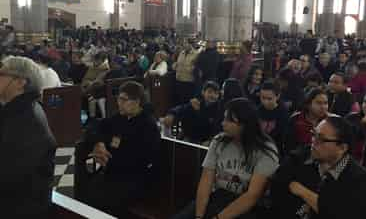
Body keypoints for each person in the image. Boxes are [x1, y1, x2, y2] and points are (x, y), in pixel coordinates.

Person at [172, 98, 279, 219]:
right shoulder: (219, 141)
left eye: (229, 120)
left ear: (244, 124)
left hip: (246, 207)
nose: (223, 123)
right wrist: (199, 216)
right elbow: (206, 181)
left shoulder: (266, 150)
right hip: (218, 197)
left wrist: (219, 218)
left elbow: (252, 195)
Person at [271, 117, 366, 219]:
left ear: (342, 148)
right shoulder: (300, 157)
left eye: (321, 139)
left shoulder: (360, 179)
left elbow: (347, 215)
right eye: (314, 134)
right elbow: (277, 187)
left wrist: (304, 192)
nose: (313, 142)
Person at [84, 81, 161, 217]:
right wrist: (99, 143)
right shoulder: (120, 118)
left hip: (135, 179)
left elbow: (142, 161)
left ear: (137, 101)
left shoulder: (148, 125)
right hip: (113, 173)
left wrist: (108, 161)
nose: (119, 103)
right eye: (119, 98)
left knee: (105, 199)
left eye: (124, 99)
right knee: (88, 190)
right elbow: (94, 127)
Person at [0, 56, 57, 218]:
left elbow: (9, 174)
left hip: (21, 209)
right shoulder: (13, 109)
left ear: (20, 82)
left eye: (1, 74)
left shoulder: (28, 120)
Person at [284, 88, 335, 155]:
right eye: (318, 103)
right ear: (308, 104)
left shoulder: (331, 121)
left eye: (325, 103)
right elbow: (289, 147)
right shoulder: (296, 119)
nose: (323, 107)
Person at [257, 81, 289, 156]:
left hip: (275, 151)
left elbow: (282, 137)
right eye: (263, 98)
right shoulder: (258, 111)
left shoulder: (283, 113)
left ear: (277, 96)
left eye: (269, 99)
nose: (265, 102)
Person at [173, 39, 199, 105]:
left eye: (185, 43)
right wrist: (175, 65)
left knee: (187, 100)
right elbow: (178, 62)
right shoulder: (182, 53)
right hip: (179, 79)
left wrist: (187, 68)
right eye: (184, 43)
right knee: (179, 100)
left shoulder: (196, 54)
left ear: (190, 44)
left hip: (188, 81)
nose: (184, 45)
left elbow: (195, 67)